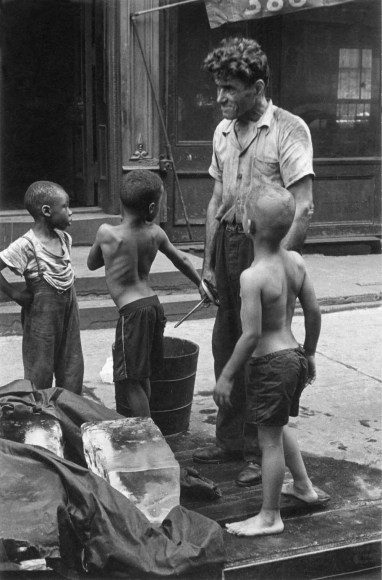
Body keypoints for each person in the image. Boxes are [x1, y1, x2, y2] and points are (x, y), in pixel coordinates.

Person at [193, 37, 315, 488]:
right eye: (217, 88)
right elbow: (216, 200)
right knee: (227, 340)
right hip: (228, 246)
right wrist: (207, 264)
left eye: (229, 89)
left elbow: (302, 207)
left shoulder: (288, 129)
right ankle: (228, 440)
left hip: (267, 250)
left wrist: (281, 265)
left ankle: (255, 449)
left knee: (260, 352)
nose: (220, 98)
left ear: (257, 86)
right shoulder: (223, 131)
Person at [214, 183, 321, 536]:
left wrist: (227, 374)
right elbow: (314, 311)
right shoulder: (296, 262)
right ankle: (302, 485)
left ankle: (270, 515)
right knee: (280, 426)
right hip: (293, 356)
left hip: (271, 364)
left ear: (248, 227)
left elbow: (251, 335)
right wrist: (309, 353)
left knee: (268, 441)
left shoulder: (252, 276)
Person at [87, 169, 202, 417]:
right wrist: (200, 284)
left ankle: (147, 432)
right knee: (143, 374)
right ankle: (145, 424)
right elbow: (181, 259)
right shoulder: (155, 233)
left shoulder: (107, 233)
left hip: (132, 313)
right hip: (152, 305)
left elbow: (91, 263)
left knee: (129, 380)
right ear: (151, 208)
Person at [0, 181, 84, 393]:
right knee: (40, 367)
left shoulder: (65, 239)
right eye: (65, 207)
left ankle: (69, 412)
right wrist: (16, 294)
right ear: (46, 211)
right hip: (41, 317)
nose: (70, 213)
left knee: (72, 363)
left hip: (68, 313)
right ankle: (41, 418)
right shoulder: (26, 245)